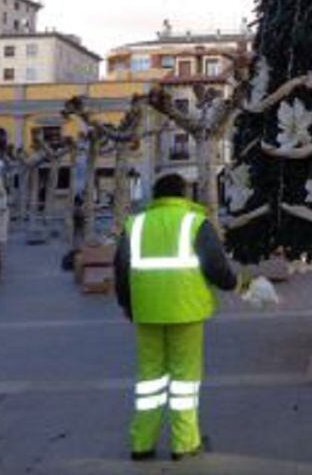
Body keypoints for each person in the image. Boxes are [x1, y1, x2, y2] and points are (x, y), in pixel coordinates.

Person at [114, 173, 241, 461]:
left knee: (149, 379)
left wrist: (127, 305)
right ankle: (184, 443)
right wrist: (234, 284)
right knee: (184, 379)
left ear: (155, 196)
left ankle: (142, 443)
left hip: (146, 312)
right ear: (184, 194)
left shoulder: (136, 224)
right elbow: (216, 265)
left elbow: (121, 268)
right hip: (186, 311)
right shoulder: (194, 222)